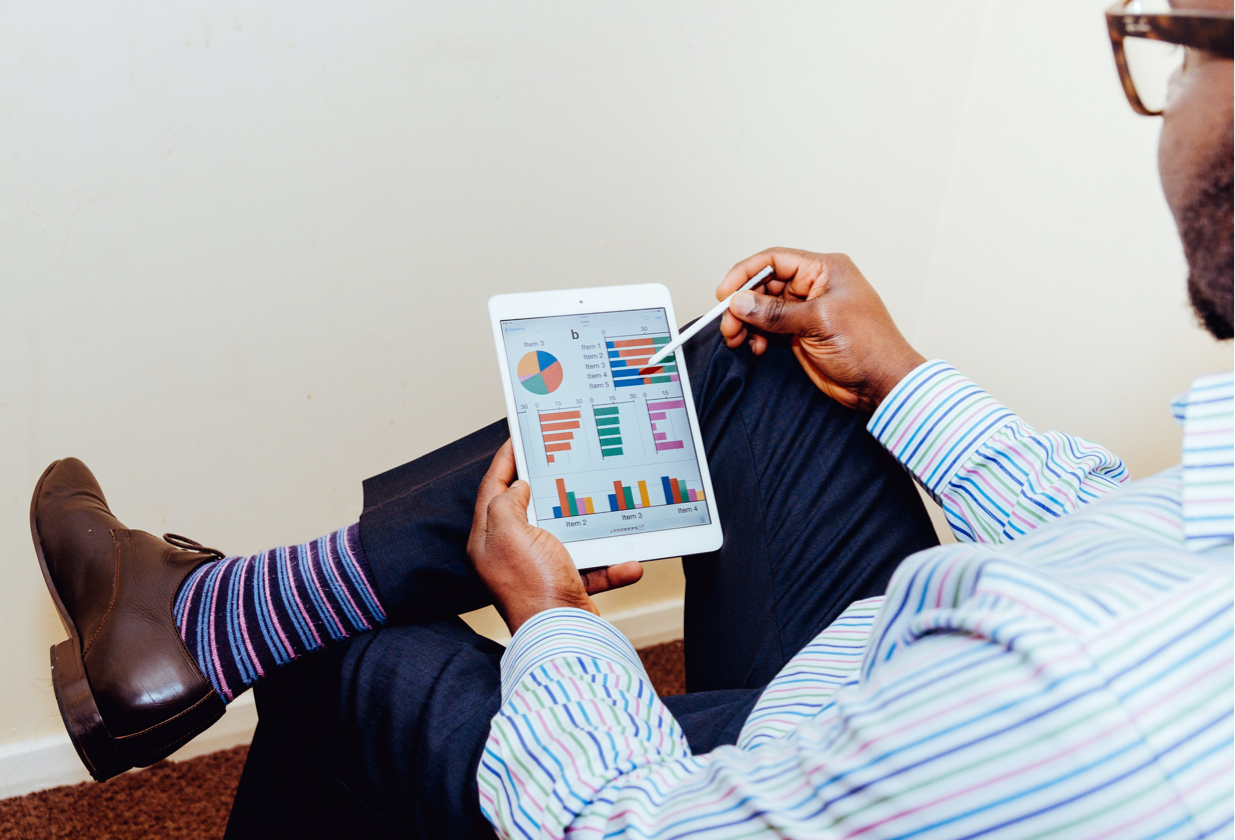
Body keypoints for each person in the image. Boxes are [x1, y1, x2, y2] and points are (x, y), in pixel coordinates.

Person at [27, 1, 1233, 837]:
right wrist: (901, 376)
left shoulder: (1089, 684)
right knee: (751, 359)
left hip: (771, 776)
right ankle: (190, 623)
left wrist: (554, 620)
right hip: (888, 688)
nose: (1171, 93)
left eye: (1182, 48)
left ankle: (220, 620)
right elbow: (1127, 529)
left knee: (358, 658)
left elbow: (622, 826)